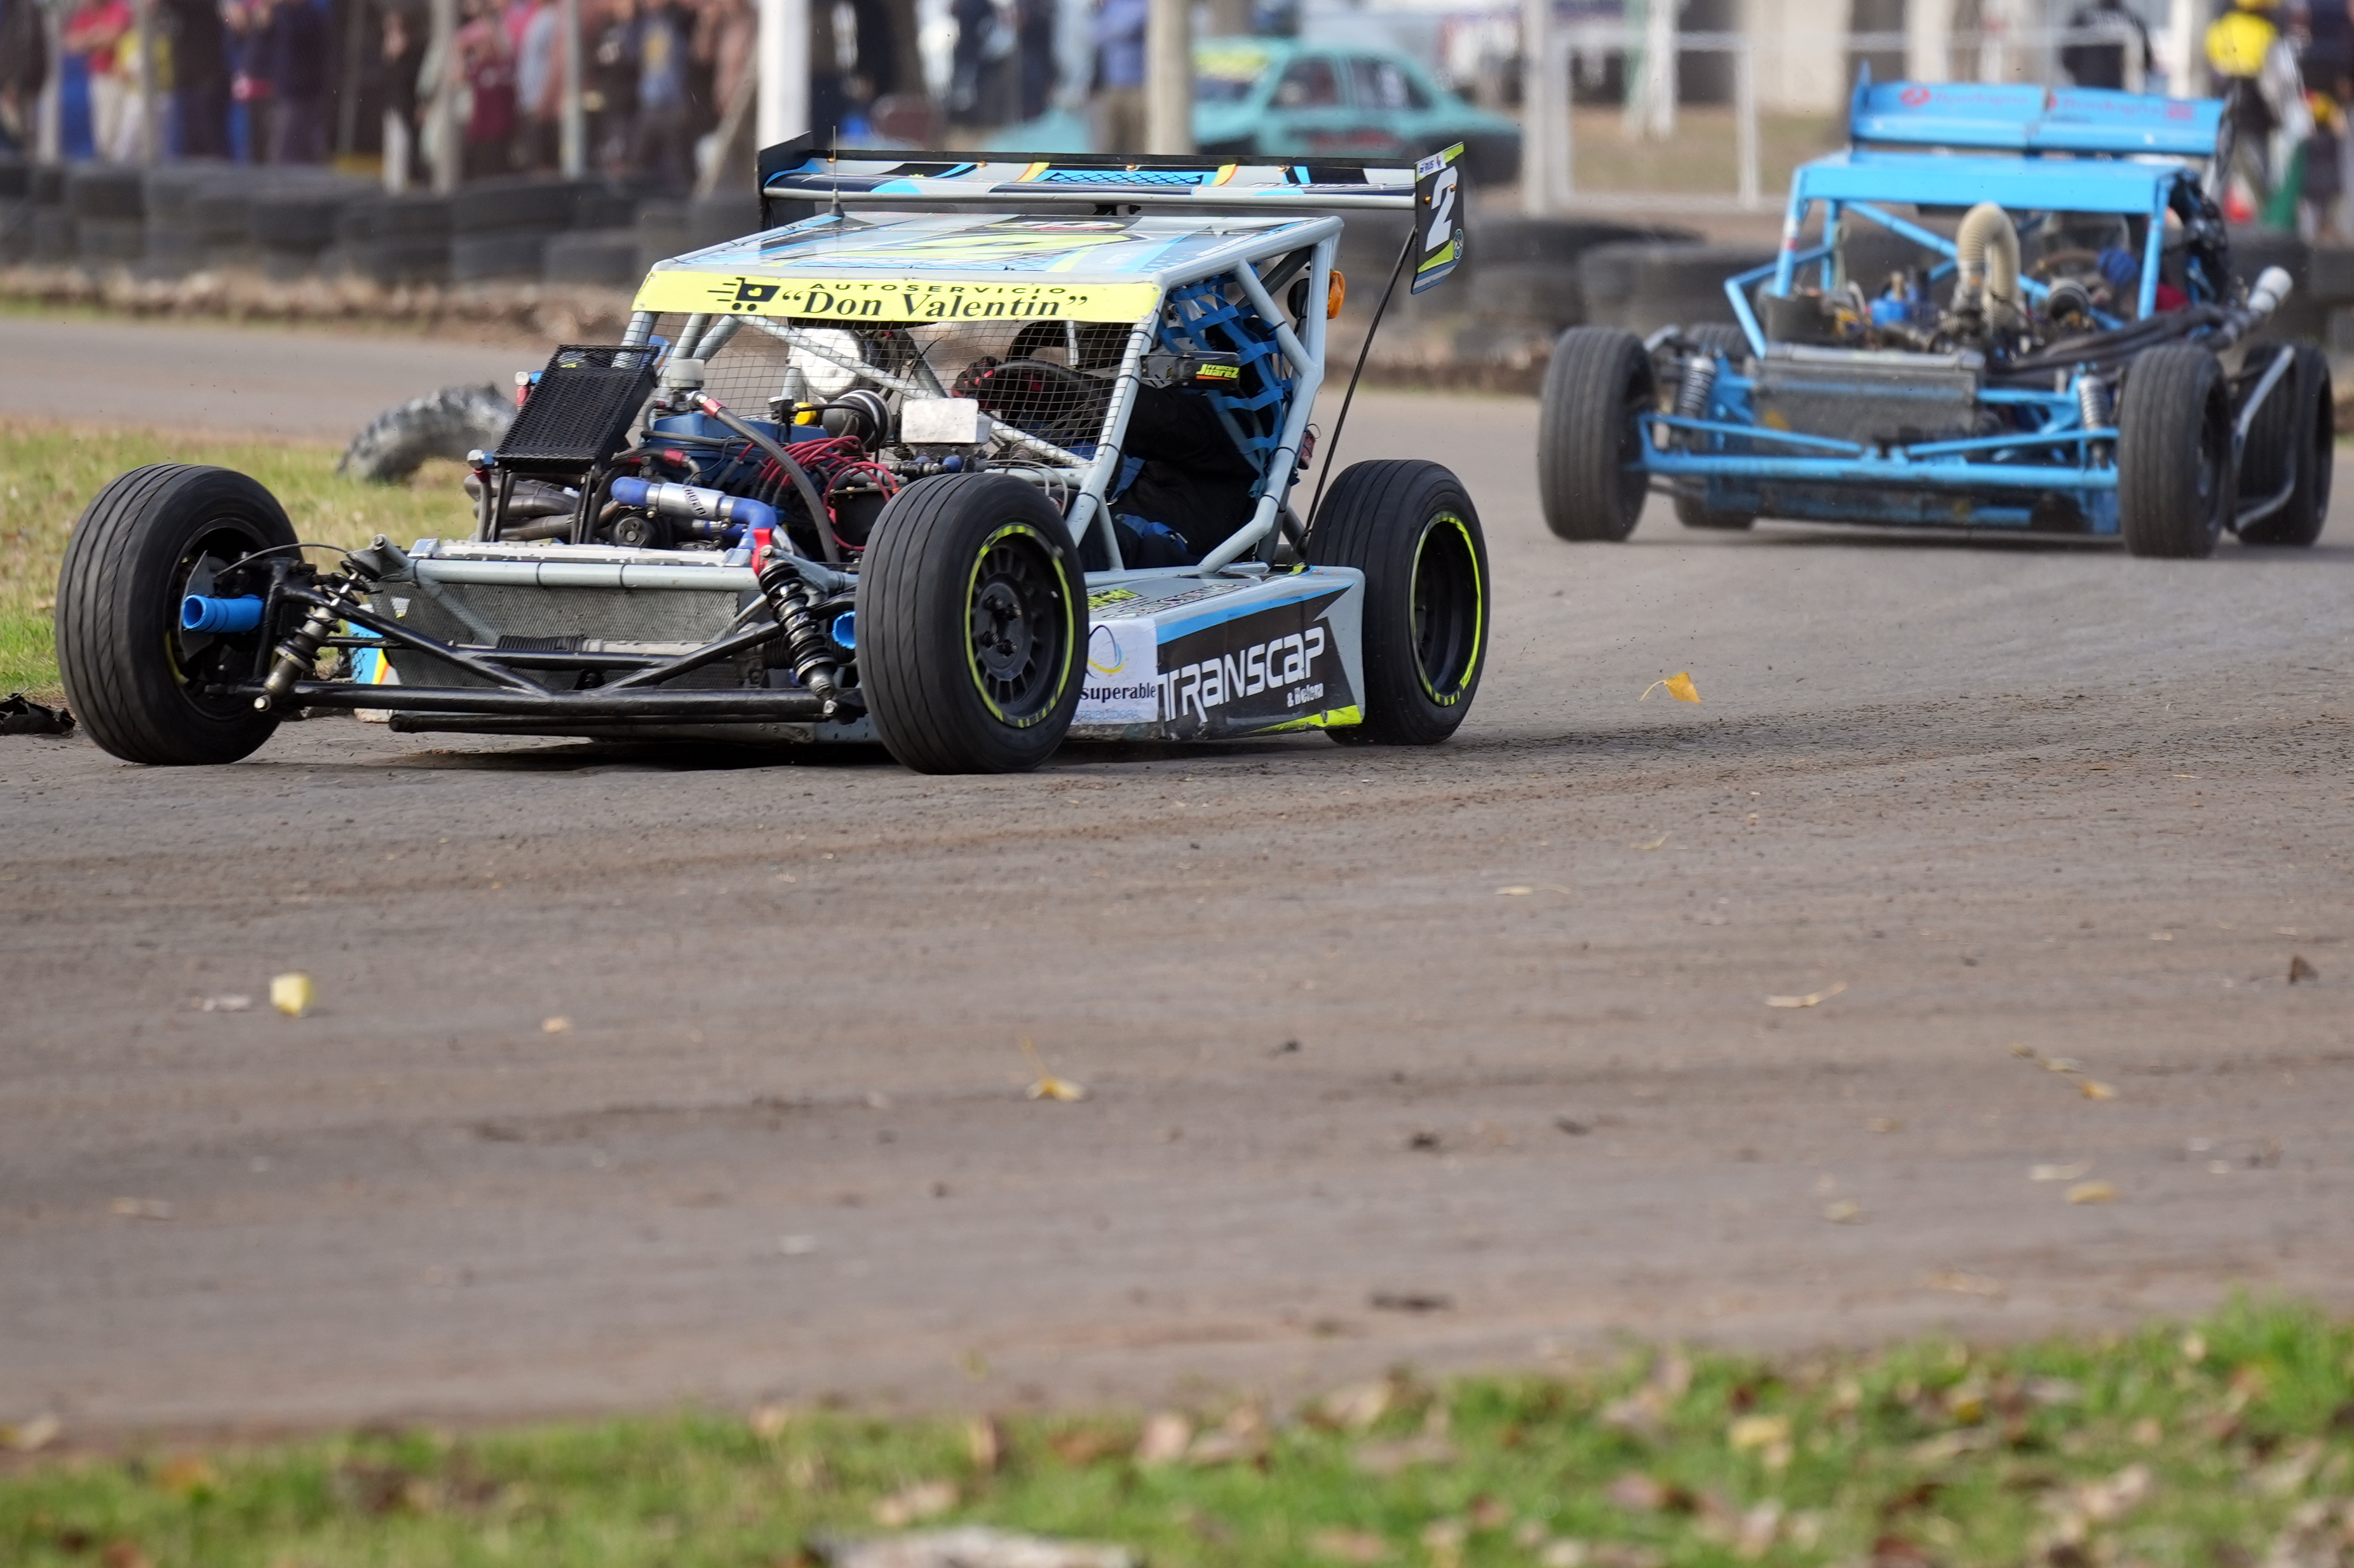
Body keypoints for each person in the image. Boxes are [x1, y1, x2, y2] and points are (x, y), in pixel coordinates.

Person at [160, 0, 233, 156]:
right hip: (186, 81)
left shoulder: (207, 6)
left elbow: (226, 18)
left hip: (208, 80)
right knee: (188, 145)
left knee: (211, 142)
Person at [64, 0, 135, 160]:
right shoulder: (84, 13)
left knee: (125, 134)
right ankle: (110, 169)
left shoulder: (117, 7)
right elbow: (71, 43)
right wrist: (97, 38)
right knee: (105, 134)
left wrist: (89, 39)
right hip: (100, 79)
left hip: (122, 78)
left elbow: (114, 37)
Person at [456, 0, 516, 177]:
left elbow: (506, 51)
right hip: (480, 133)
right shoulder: (478, 70)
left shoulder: (503, 67)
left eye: (483, 44)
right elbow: (457, 76)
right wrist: (461, 51)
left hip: (500, 133)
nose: (480, 49)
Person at [265, 0, 330, 161]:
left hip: (303, 92)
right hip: (285, 90)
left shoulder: (311, 15)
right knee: (283, 146)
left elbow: (296, 35)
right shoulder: (282, 13)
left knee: (288, 148)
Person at [632, 0, 689, 181]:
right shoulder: (644, 23)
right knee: (638, 166)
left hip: (673, 106)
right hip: (649, 105)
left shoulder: (679, 20)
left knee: (680, 167)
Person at [586, 0, 639, 170]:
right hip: (608, 101)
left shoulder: (638, 28)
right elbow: (594, 63)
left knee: (623, 156)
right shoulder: (606, 29)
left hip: (628, 104)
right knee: (607, 153)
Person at [2060, 0, 2152, 90]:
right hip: (2122, 92)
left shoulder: (2082, 18)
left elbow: (2068, 58)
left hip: (2088, 90)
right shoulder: (2134, 21)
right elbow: (2147, 61)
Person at [1091, 0, 1145, 152]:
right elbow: (1094, 35)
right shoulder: (1111, 5)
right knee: (1108, 145)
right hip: (1109, 87)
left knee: (1138, 146)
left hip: (1139, 88)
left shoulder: (1144, 5)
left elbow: (1126, 27)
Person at [0, 0, 53, 153]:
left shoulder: (25, 8)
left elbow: (27, 46)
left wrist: (15, 83)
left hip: (17, 88)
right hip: (7, 85)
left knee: (21, 139)